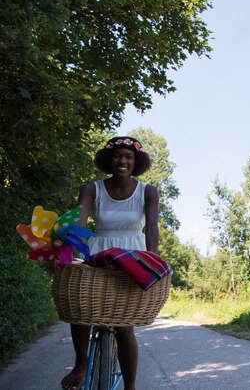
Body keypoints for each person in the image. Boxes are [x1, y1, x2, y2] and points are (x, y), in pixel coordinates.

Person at [61, 136, 159, 390]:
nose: (122, 161)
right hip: (98, 252)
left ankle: (130, 387)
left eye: (128, 156)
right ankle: (81, 364)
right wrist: (68, 253)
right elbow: (79, 222)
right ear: (108, 160)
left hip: (132, 257)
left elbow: (152, 228)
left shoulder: (147, 191)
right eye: (117, 156)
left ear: (136, 162)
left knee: (124, 327)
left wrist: (154, 258)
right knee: (81, 310)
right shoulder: (92, 189)